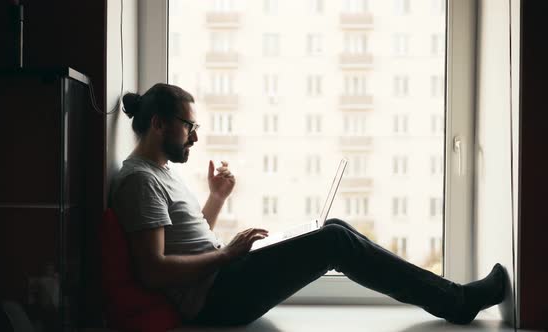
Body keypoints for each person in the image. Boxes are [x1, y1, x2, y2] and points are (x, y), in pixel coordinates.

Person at [109, 83, 507, 327]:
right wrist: (227, 254)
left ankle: (452, 298)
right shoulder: (140, 181)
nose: (194, 137)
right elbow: (153, 271)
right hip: (216, 300)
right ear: (160, 123)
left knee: (330, 225)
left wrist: (216, 198)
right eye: (189, 126)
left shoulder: (159, 172)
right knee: (333, 240)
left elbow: (188, 239)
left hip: (221, 278)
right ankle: (458, 302)